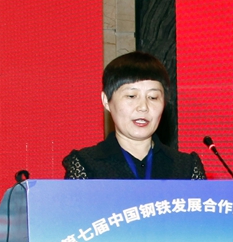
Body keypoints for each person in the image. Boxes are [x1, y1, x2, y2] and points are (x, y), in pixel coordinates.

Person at [62, 52, 206, 179]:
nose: (143, 107)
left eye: (153, 97)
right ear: (106, 101)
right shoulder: (86, 165)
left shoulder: (186, 168)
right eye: (131, 96)